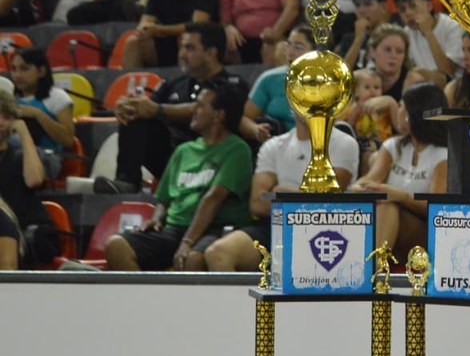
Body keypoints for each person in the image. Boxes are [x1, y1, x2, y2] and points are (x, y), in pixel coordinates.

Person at [105, 80, 252, 272]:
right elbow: (164, 199)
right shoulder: (183, 151)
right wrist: (157, 218)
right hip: (173, 230)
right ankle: (145, 301)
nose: (194, 110)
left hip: (214, 228)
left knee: (193, 259)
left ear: (219, 115)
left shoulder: (237, 150)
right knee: (117, 246)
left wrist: (187, 241)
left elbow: (213, 198)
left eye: (200, 106)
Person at [94, 22, 250, 194]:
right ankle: (127, 182)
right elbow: (148, 107)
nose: (181, 54)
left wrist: (158, 110)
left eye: (189, 48)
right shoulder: (174, 84)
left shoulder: (232, 84)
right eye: (181, 47)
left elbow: (206, 110)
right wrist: (129, 106)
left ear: (210, 53)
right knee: (135, 114)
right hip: (172, 154)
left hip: (212, 158)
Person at [204, 109, 359, 271]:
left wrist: (285, 192)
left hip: (325, 227)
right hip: (276, 224)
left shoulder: (343, 143)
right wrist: (304, 196)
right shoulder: (274, 146)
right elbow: (257, 204)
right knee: (218, 253)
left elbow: (325, 200)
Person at [350, 82, 448, 262]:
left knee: (390, 205)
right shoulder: (393, 147)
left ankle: (374, 269)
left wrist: (401, 197)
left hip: (423, 232)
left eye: (402, 106)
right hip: (386, 223)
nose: (398, 111)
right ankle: (373, 266)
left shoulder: (443, 155)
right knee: (384, 206)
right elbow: (367, 181)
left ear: (415, 114)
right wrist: (365, 188)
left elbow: (436, 209)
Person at [0, 90, 50, 270]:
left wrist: (24, 134)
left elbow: (34, 180)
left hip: (21, 229)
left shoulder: (20, 156)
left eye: (6, 117)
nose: (0, 122)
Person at [10, 47, 73, 180]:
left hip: (47, 159)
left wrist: (38, 114)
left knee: (13, 142)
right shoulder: (10, 98)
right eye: (14, 69)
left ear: (41, 71)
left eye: (24, 69)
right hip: (13, 156)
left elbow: (68, 140)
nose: (17, 75)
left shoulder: (57, 97)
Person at [245, 26, 316, 140]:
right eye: (288, 45)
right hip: (276, 144)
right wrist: (255, 129)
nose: (290, 52)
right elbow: (245, 118)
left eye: (298, 47)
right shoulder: (269, 79)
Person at [395, 0, 464, 83]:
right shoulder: (406, 33)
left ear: (429, 6)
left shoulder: (453, 27)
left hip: (454, 85)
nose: (408, 13)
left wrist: (428, 32)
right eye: (402, 9)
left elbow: (448, 71)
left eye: (413, 6)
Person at [338, 0, 394, 69]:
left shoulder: (397, 37)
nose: (361, 11)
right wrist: (358, 40)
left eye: (367, 4)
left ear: (383, 7)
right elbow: (341, 76)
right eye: (357, 5)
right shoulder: (349, 40)